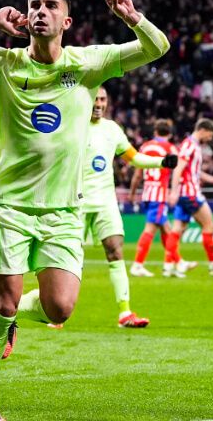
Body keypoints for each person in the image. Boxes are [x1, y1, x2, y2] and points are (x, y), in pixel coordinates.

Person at [0, 0, 169, 421]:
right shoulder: (2, 63)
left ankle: (17, 316)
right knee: (0, 303)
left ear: (66, 20)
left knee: (60, 308)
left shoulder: (88, 64)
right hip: (11, 208)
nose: (39, 11)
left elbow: (157, 48)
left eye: (50, 5)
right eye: (33, 4)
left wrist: (133, 19)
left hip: (64, 212)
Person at [80, 87, 177, 327]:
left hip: (105, 201)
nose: (98, 103)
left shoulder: (112, 129)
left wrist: (161, 162)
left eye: (102, 99)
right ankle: (54, 311)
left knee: (115, 250)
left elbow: (133, 158)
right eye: (94, 99)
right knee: (68, 259)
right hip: (75, 202)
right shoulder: (73, 125)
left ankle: (125, 312)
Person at [165, 119, 213, 277]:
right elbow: (178, 168)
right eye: (210, 135)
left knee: (178, 229)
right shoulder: (189, 145)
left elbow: (195, 172)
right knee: (209, 226)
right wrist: (173, 191)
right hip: (190, 193)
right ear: (203, 130)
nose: (210, 139)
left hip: (185, 193)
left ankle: (168, 267)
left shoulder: (193, 146)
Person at [128, 118, 196, 277]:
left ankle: (175, 263)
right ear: (170, 134)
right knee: (151, 228)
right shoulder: (171, 148)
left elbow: (138, 174)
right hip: (159, 194)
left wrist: (132, 193)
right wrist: (175, 191)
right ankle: (137, 265)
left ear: (155, 132)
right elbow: (179, 171)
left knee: (166, 229)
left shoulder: (145, 146)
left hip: (147, 193)